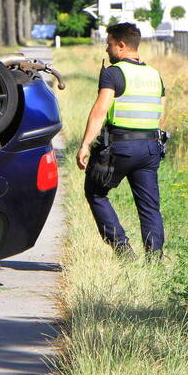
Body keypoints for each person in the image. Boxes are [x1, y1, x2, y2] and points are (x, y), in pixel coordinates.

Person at [76, 22, 166, 258]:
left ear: (122, 45)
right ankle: (154, 257)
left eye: (110, 45)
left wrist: (85, 144)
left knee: (95, 192)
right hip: (150, 147)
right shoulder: (154, 75)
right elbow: (160, 113)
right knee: (149, 206)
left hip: (121, 147)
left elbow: (99, 111)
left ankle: (121, 247)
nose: (107, 50)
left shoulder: (114, 73)